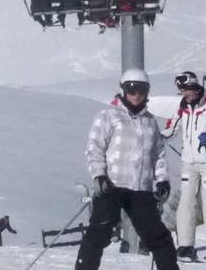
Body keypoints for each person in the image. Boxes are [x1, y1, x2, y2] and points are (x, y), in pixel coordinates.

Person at [73, 69, 177, 270]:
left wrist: (162, 180)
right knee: (99, 234)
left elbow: (158, 155)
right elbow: (94, 148)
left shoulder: (150, 122)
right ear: (123, 90)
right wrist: (99, 176)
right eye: (131, 89)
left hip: (141, 189)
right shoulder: (109, 116)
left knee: (159, 238)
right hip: (112, 186)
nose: (136, 95)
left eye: (141, 90)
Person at [162, 70, 206, 261]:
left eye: (184, 88)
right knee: (186, 202)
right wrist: (158, 135)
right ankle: (185, 246)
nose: (182, 92)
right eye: (180, 89)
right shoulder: (182, 108)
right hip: (188, 162)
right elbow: (171, 128)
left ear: (193, 87)